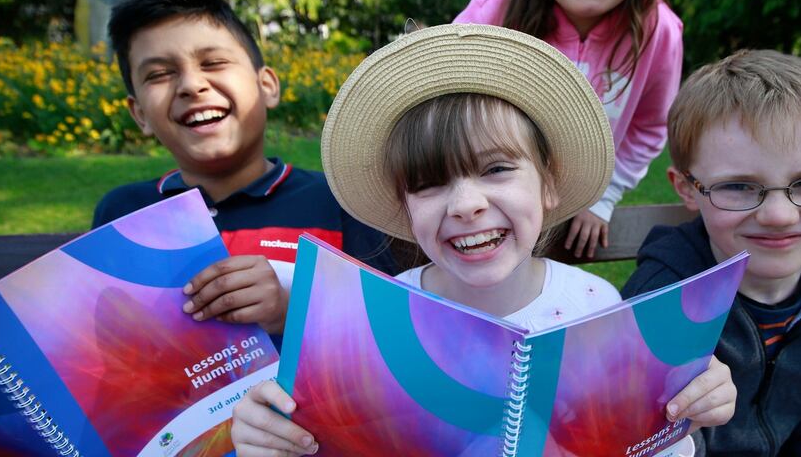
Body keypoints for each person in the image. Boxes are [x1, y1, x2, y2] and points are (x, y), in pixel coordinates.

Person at [230, 24, 735, 457]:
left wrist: (680, 414)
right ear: (404, 205)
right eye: (429, 183)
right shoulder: (373, 327)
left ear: (549, 183)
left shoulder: (598, 310)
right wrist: (268, 434)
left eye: (495, 168)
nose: (465, 204)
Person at [93, 0, 395, 337]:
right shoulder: (123, 213)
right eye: (159, 74)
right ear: (139, 113)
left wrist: (293, 308)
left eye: (214, 62)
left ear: (266, 85)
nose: (192, 85)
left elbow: (391, 329)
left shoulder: (342, 201)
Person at [623, 50, 801, 456]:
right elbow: (643, 442)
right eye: (740, 187)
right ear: (687, 188)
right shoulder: (663, 298)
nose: (779, 216)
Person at [454, 0, 682, 260]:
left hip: (569, 235)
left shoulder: (660, 34)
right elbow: (444, 116)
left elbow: (649, 126)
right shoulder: (486, 19)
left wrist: (603, 196)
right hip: (482, 221)